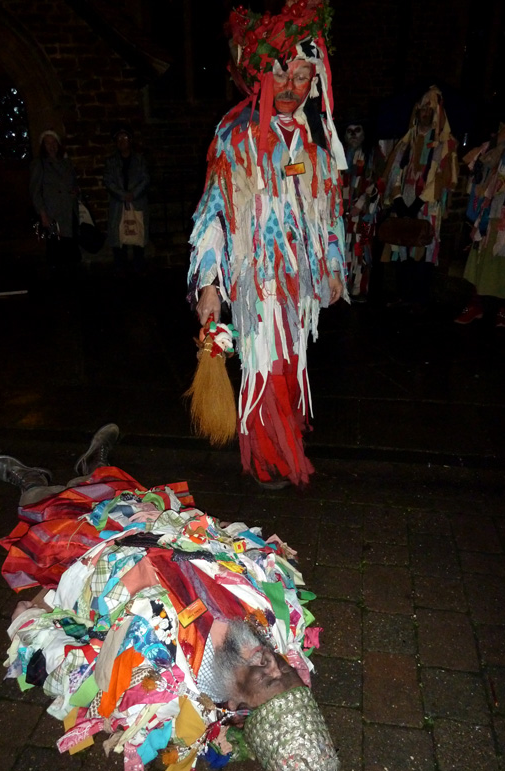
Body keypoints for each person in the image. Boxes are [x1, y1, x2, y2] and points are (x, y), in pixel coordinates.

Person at [0, 424, 339, 771]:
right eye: (284, 669)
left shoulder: (165, 681)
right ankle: (95, 464)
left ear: (238, 706)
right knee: (118, 490)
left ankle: (31, 481)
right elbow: (255, 555)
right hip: (153, 524)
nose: (272, 663)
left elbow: (69, 669)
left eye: (267, 679)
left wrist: (27, 621)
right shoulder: (275, 625)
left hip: (95, 552)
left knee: (49, 513)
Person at [187, 0, 348, 489]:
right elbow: (213, 214)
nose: (290, 87)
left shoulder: (317, 141)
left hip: (300, 283)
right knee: (265, 366)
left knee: (292, 361)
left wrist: (334, 265)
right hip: (257, 281)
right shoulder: (236, 137)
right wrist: (210, 283)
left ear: (314, 81)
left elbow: (330, 211)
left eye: (300, 76)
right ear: (259, 76)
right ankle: (269, 457)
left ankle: (285, 436)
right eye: (280, 74)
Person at [380, 86, 458, 310]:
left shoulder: (444, 143)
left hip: (427, 204)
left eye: (430, 109)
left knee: (424, 246)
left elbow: (442, 176)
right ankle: (402, 293)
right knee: (402, 245)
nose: (425, 113)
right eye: (422, 108)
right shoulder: (408, 140)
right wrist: (397, 198)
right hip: (404, 199)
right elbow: (395, 170)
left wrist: (419, 202)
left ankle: (419, 297)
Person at [454, 106, 505, 328]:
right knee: (481, 254)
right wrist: (497, 141)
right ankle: (476, 304)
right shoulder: (499, 138)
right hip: (490, 209)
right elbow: (474, 163)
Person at [341, 115, 382, 301]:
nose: (353, 135)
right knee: (344, 249)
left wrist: (361, 204)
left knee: (362, 249)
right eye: (349, 131)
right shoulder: (340, 155)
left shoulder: (373, 155)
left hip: (365, 216)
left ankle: (359, 288)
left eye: (357, 130)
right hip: (344, 215)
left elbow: (378, 182)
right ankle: (345, 287)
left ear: (364, 133)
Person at [29, 129, 81, 271]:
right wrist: (42, 214)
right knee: (56, 248)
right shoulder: (39, 164)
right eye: (48, 143)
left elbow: (74, 183)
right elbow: (35, 191)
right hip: (53, 213)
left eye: (54, 143)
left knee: (71, 248)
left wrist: (75, 192)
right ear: (43, 146)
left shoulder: (66, 162)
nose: (52, 146)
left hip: (69, 212)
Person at [104, 124, 150, 273]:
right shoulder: (111, 162)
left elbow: (145, 178)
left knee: (138, 237)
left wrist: (133, 194)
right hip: (119, 205)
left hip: (137, 204)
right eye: (119, 139)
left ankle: (139, 269)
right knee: (119, 239)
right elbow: (108, 181)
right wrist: (123, 194)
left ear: (130, 140)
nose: (122, 141)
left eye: (124, 138)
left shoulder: (139, 160)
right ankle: (121, 270)